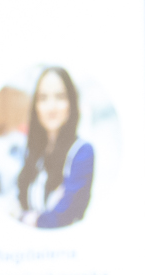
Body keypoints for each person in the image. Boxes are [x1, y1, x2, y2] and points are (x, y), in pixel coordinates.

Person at [12, 67, 96, 229]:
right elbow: (18, 201)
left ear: (71, 103)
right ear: (35, 106)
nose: (51, 107)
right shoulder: (33, 151)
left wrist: (26, 218)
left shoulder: (82, 152)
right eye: (43, 98)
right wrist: (31, 216)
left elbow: (60, 219)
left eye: (59, 97)